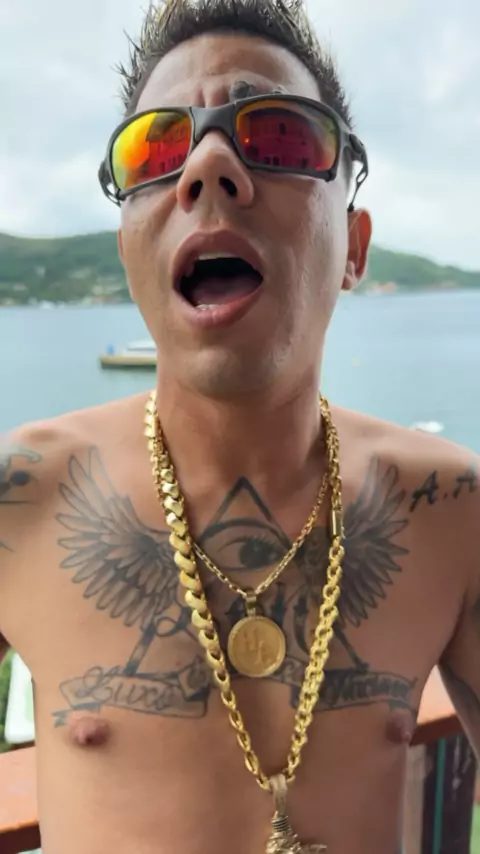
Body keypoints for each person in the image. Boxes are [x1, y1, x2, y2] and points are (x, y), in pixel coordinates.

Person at [1, 1, 479, 852]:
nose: (210, 165)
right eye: (157, 149)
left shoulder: (450, 511)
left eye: (281, 137)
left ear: (355, 246)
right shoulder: (22, 498)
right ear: (126, 249)